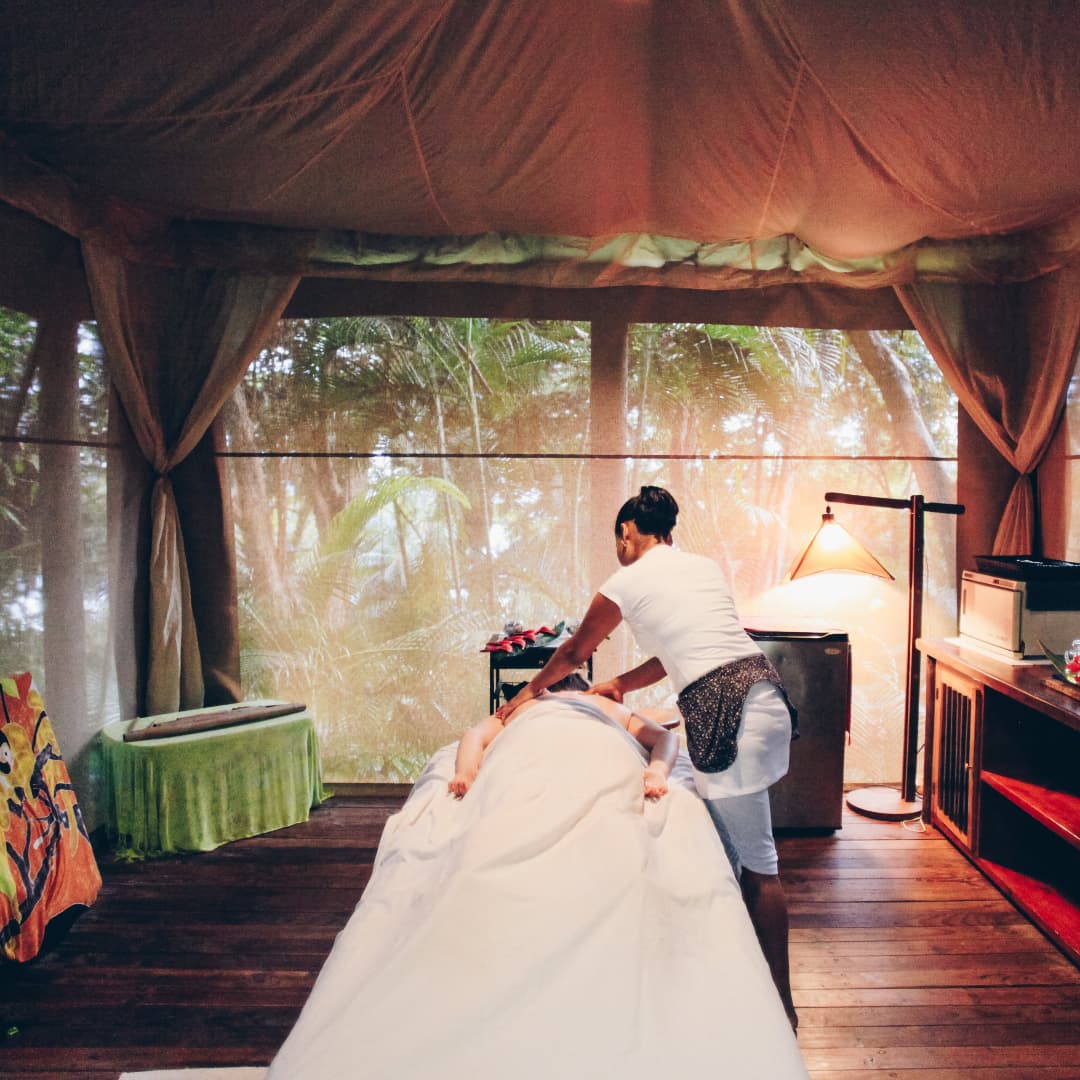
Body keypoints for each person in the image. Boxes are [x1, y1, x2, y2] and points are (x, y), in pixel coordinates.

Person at [496, 485, 799, 1031]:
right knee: (733, 852)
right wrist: (618, 684)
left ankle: (780, 1010)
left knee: (760, 869)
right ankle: (736, 975)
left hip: (725, 712)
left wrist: (524, 695)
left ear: (627, 533)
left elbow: (570, 653)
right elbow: (673, 656)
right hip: (765, 697)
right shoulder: (701, 567)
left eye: (619, 539)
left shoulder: (627, 580)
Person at [450, 673, 678, 800]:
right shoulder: (608, 705)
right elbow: (666, 738)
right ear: (585, 690)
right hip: (598, 753)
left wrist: (466, 771)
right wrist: (658, 771)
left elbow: (475, 734)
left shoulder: (525, 704)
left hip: (531, 752)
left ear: (545, 690)